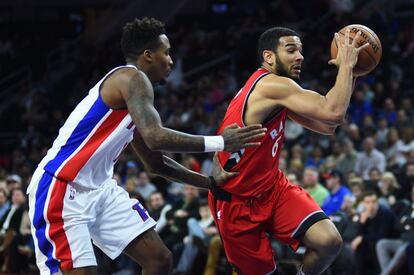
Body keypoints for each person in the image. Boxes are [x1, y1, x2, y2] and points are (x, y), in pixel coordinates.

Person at [26, 17, 266, 275]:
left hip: (100, 190)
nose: (171, 60)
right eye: (167, 52)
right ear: (148, 55)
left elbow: (155, 162)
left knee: (159, 260)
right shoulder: (132, 78)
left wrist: (208, 183)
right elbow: (155, 136)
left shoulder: (135, 95)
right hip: (62, 188)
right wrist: (221, 142)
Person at [210, 27, 369, 275]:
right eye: (291, 49)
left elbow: (327, 126)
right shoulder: (272, 85)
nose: (300, 56)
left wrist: (354, 73)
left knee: (329, 241)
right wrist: (347, 65)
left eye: (301, 50)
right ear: (268, 56)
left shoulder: (275, 91)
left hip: (272, 188)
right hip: (238, 202)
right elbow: (333, 112)